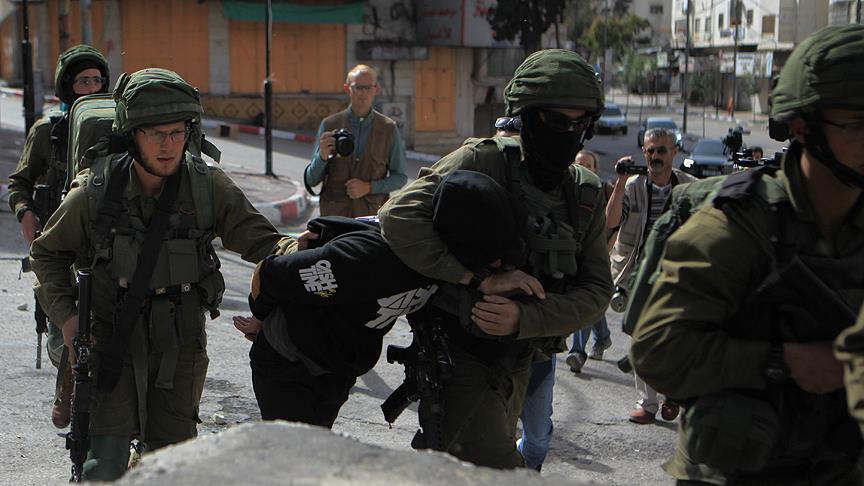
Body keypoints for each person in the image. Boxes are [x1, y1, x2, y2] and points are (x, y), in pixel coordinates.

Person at [30, 68, 294, 481]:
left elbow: (266, 244)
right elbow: (47, 253)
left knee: (173, 469)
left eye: (176, 132)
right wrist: (66, 317)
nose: (168, 145)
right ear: (132, 135)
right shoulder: (95, 192)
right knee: (104, 468)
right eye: (155, 134)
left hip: (179, 343)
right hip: (109, 339)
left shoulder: (207, 187)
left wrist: (311, 254)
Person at [632, 24, 864, 484]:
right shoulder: (736, 227)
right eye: (857, 125)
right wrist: (783, 360)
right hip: (735, 468)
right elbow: (657, 351)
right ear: (803, 128)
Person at [378, 49, 613, 469]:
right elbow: (398, 217)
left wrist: (525, 318)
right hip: (459, 353)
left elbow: (597, 291)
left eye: (580, 124)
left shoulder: (585, 192)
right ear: (526, 117)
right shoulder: (484, 160)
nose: (569, 133)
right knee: (496, 471)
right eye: (556, 121)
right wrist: (476, 279)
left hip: (523, 359)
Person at [233, 170, 533, 428]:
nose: (494, 266)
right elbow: (272, 273)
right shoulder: (369, 258)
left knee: (312, 451)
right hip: (291, 362)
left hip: (337, 364)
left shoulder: (442, 263)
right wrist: (259, 317)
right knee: (293, 460)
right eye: (488, 257)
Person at [8, 44, 110, 429]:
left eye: (97, 80)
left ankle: (87, 403)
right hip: (56, 243)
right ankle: (67, 376)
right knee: (60, 334)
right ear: (67, 85)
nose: (92, 87)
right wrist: (25, 213)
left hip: (100, 241)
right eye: (83, 81)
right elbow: (19, 183)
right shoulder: (48, 130)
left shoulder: (115, 125)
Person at [606, 127, 695, 424]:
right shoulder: (633, 186)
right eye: (650, 151)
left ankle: (673, 394)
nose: (655, 156)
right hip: (639, 274)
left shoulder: (688, 186)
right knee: (641, 338)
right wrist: (620, 182)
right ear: (644, 153)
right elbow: (611, 220)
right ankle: (647, 402)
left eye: (661, 150)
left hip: (677, 274)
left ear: (674, 152)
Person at [304, 64, 407, 218]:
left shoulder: (388, 128)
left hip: (371, 218)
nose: (363, 93)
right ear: (347, 89)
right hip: (335, 217)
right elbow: (311, 180)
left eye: (368, 88)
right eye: (358, 87)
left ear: (376, 89)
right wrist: (322, 156)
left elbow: (400, 178)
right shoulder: (330, 125)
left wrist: (369, 187)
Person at [565, 150, 613, 374]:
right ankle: (602, 337)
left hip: (597, 255)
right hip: (572, 255)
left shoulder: (603, 192)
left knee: (585, 298)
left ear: (596, 169)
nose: (583, 169)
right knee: (592, 302)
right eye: (579, 164)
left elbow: (614, 226)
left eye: (588, 165)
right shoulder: (565, 190)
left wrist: (605, 253)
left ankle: (577, 352)